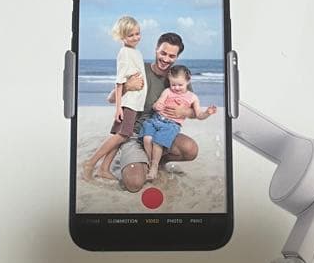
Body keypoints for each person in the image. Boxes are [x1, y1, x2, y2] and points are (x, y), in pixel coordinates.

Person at [116, 32, 201, 193]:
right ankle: (137, 160)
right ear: (156, 49)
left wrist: (184, 111)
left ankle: (157, 161)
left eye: (171, 56)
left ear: (177, 57)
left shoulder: (178, 78)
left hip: (161, 131)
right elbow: (112, 98)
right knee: (134, 184)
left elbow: (194, 112)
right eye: (163, 53)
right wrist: (127, 86)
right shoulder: (139, 70)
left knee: (190, 149)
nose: (166, 59)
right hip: (134, 135)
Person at [82, 16, 145, 181]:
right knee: (122, 135)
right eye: (131, 35)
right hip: (129, 102)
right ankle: (90, 162)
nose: (136, 37)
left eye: (137, 33)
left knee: (121, 135)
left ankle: (104, 168)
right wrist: (118, 108)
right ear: (122, 37)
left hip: (136, 102)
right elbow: (119, 82)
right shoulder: (124, 53)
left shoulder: (135, 52)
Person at [141, 65, 217, 181]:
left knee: (157, 142)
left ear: (188, 81)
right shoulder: (167, 91)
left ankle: (154, 166)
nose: (176, 88)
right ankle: (151, 161)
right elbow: (157, 104)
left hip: (171, 125)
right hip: (156, 119)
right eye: (173, 84)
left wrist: (207, 113)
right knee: (147, 139)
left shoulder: (192, 97)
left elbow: (199, 115)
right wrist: (157, 106)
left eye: (180, 85)